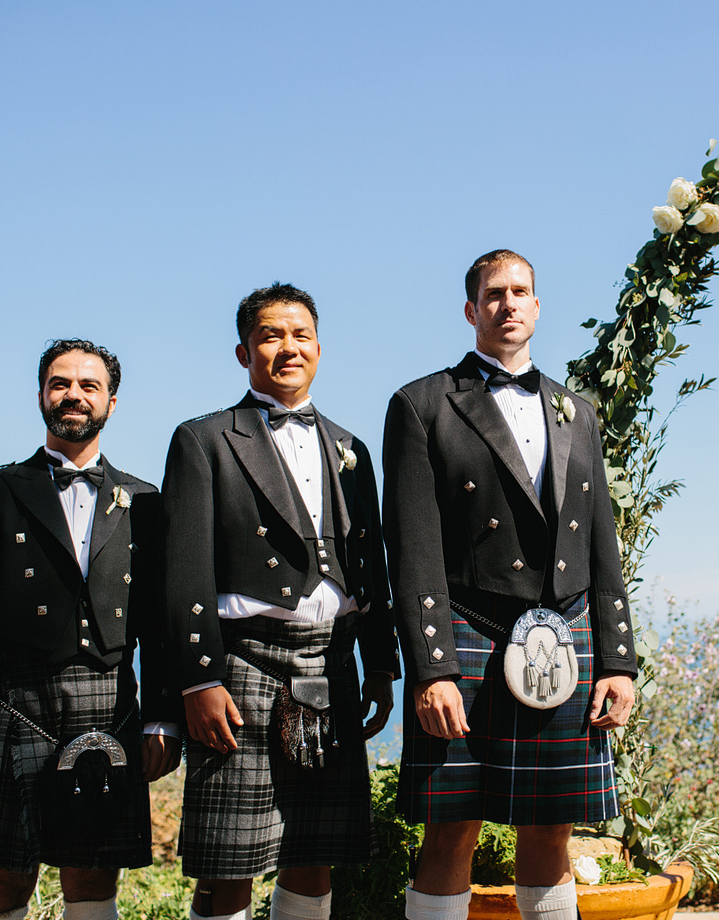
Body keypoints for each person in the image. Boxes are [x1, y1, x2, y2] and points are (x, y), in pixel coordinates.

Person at [383, 249, 637, 920]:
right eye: (494, 294)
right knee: (452, 828)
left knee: (552, 828)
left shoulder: (575, 411)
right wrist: (431, 668)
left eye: (521, 291)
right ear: (472, 310)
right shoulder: (423, 405)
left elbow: (601, 541)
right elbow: (412, 550)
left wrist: (617, 660)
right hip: (469, 632)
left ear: (537, 305)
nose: (509, 303)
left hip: (565, 636)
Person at [162, 283, 395, 920]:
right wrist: (197, 680)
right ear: (243, 352)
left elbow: (369, 565)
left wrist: (380, 664)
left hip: (331, 664)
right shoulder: (204, 440)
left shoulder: (352, 448)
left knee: (312, 852)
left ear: (319, 347)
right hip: (243, 665)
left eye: (299, 335)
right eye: (270, 335)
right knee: (229, 860)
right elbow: (183, 573)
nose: (286, 348)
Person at [0, 340, 180, 920]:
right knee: (2, 877)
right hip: (12, 699)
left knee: (94, 875)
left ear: (111, 402)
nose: (73, 395)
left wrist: (164, 715)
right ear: (42, 395)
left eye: (88, 386)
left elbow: (162, 621)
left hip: (109, 699)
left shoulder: (144, 500)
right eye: (60, 383)